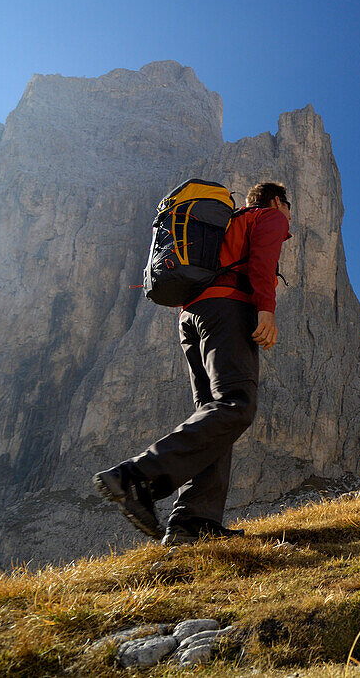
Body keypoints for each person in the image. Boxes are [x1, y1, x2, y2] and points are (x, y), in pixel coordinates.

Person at [94, 181, 293, 545]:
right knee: (237, 404)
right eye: (289, 206)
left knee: (214, 416)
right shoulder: (268, 216)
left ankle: (193, 521)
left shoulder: (227, 224)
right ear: (278, 200)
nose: (290, 215)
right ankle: (138, 478)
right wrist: (266, 309)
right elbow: (262, 263)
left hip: (192, 316)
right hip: (227, 311)